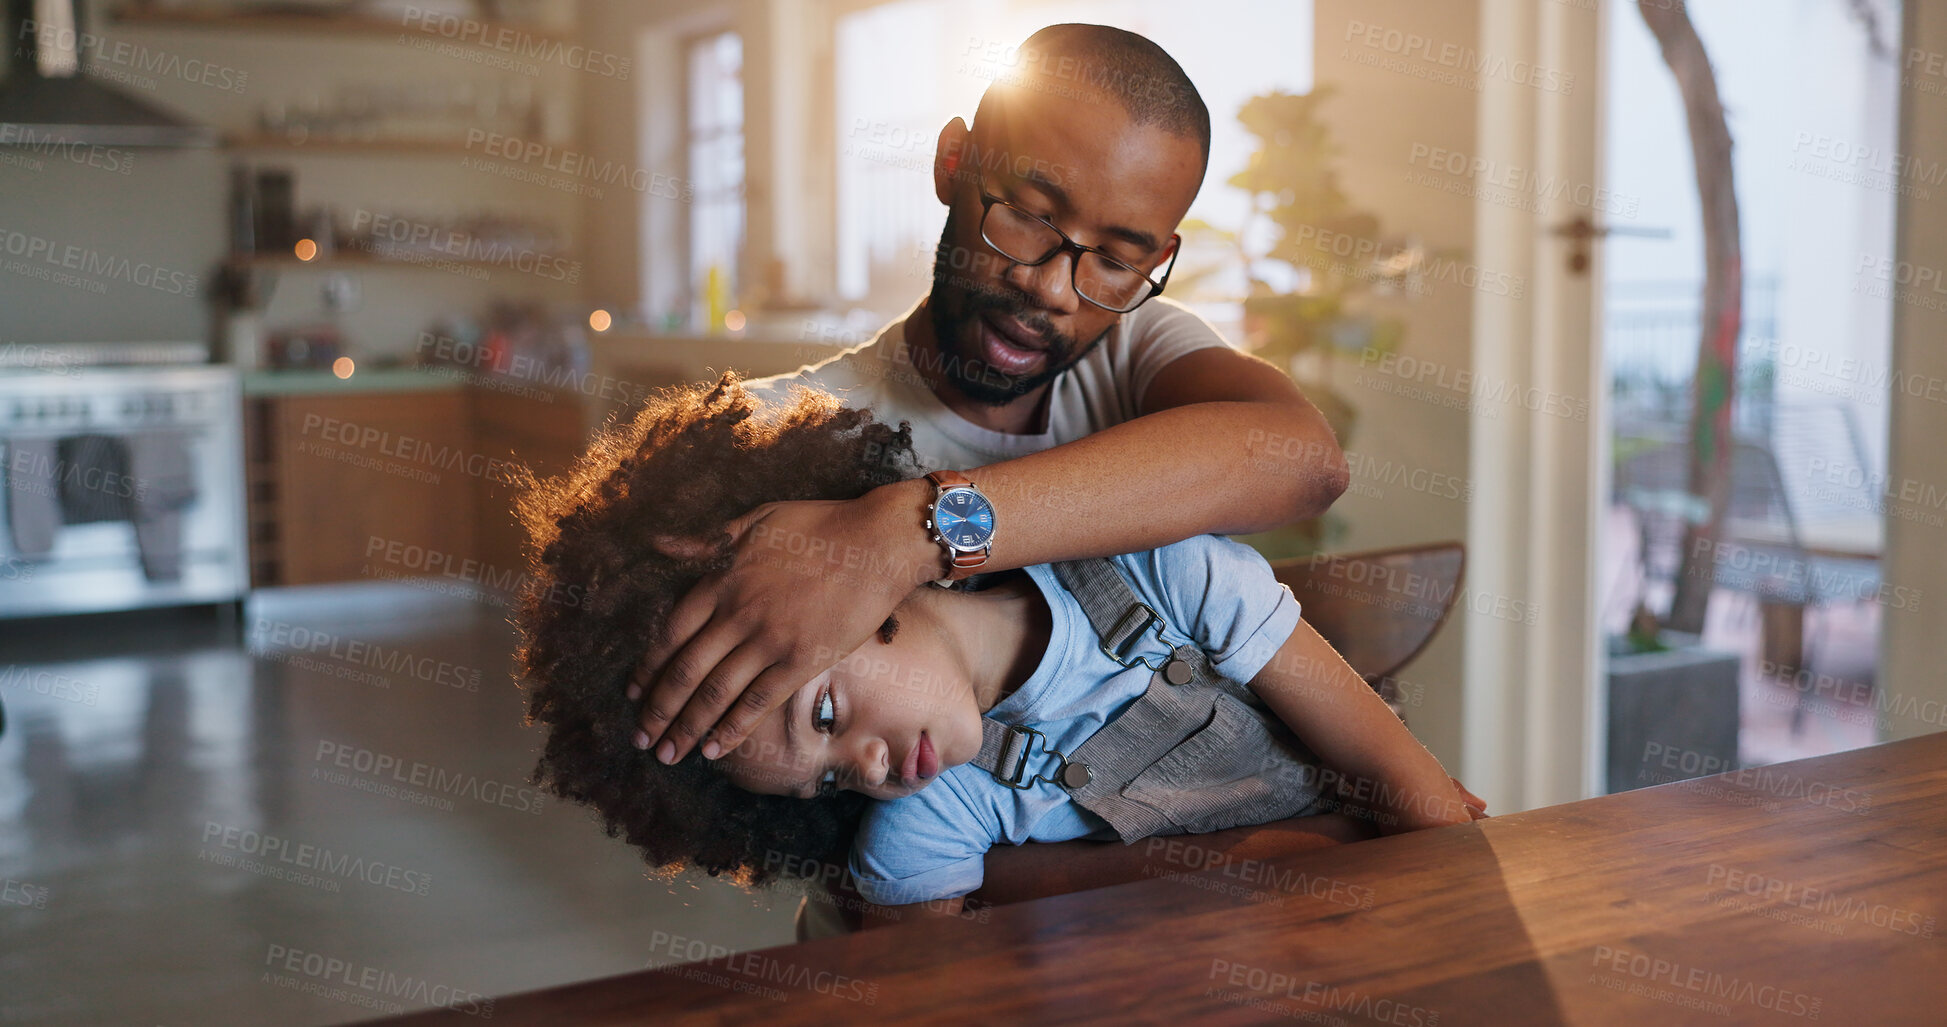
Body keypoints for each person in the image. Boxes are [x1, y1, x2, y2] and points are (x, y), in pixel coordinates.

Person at [627, 23, 1351, 769]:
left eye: (1111, 258)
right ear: (952, 163)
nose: (1048, 286)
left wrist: (907, 533)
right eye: (1029, 216)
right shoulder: (792, 431)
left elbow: (1307, 462)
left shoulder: (1138, 352)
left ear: (1158, 259)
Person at [515, 376, 1481, 924]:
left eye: (825, 714)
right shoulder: (932, 815)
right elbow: (929, 993)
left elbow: (1419, 800)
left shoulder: (1168, 576)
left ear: (846, 584)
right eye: (828, 787)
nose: (869, 772)